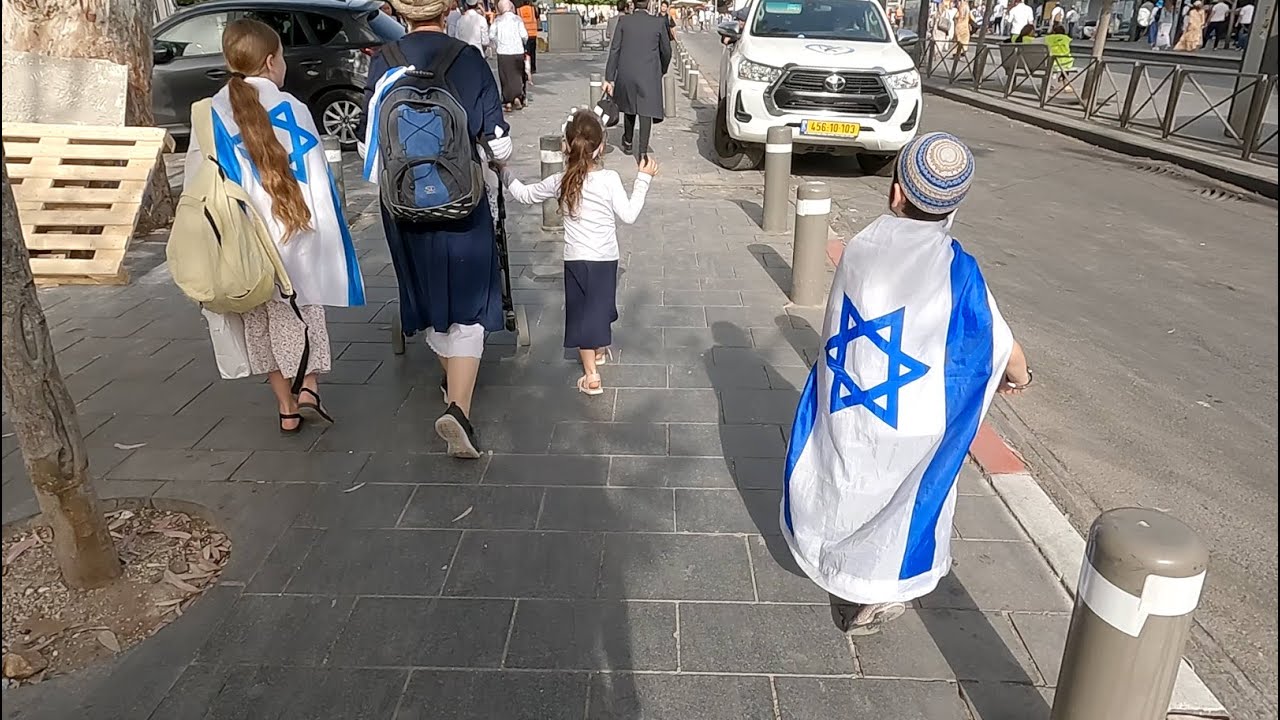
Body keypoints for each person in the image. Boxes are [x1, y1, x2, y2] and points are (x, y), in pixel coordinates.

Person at [781, 132, 1032, 635]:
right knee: (899, 507)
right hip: (912, 418)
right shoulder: (958, 269)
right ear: (954, 206)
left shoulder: (861, 247)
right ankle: (872, 594)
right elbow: (998, 343)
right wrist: (1020, 378)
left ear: (896, 192)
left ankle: (832, 562)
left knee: (843, 484)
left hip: (852, 402)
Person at [186, 18, 366, 434]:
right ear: (270, 61)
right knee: (301, 312)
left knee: (260, 323)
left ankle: (286, 408)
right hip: (292, 233)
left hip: (242, 240)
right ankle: (310, 388)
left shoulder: (209, 113)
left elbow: (196, 181)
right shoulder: (294, 109)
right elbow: (317, 177)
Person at [358, 0, 512, 458]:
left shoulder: (382, 63)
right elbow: (498, 142)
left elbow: (368, 147)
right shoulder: (468, 60)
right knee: (468, 303)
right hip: (462, 202)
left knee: (426, 296)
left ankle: (451, 383)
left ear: (402, 14)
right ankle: (458, 408)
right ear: (446, 12)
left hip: (403, 204)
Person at [500, 111, 656, 394]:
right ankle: (597, 355)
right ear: (601, 147)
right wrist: (643, 179)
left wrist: (503, 171)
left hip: (577, 259)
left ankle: (592, 375)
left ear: (566, 145)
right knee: (600, 306)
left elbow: (523, 195)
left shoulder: (561, 180)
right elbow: (629, 215)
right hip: (606, 257)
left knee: (583, 314)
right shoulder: (609, 179)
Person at [604, 0, 671, 162]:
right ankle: (642, 152)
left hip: (626, 71)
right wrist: (661, 69)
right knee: (646, 110)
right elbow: (667, 51)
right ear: (648, 4)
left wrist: (609, 77)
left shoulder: (624, 21)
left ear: (633, 4)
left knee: (629, 105)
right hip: (649, 72)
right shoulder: (658, 23)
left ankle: (628, 142)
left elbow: (615, 49)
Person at [491, 0, 529, 110]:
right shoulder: (517, 19)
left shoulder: (498, 20)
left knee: (505, 77)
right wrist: (523, 43)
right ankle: (518, 97)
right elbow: (524, 35)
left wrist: (497, 43)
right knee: (518, 75)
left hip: (503, 52)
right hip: (517, 50)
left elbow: (491, 35)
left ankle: (508, 101)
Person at [517, 0, 540, 75]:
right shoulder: (533, 9)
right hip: (532, 34)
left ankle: (526, 68)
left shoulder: (519, 10)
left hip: (523, 35)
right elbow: (537, 18)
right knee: (532, 52)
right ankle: (533, 68)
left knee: (525, 52)